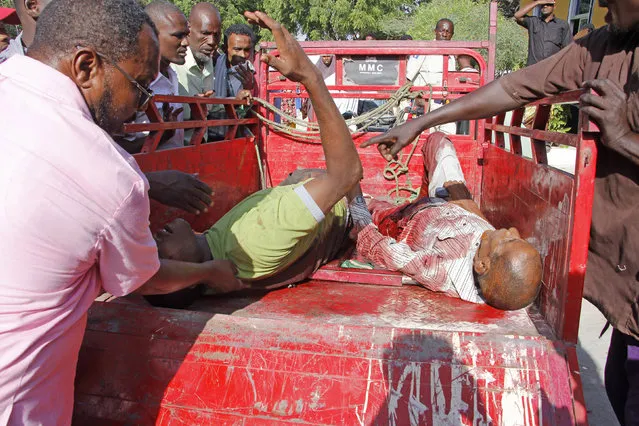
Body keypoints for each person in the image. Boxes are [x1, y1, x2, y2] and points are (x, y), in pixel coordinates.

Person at [363, 0, 639, 422]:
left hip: (416, 219)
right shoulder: (603, 45)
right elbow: (515, 87)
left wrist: (626, 138)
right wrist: (422, 123)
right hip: (626, 297)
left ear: (484, 261)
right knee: (622, 392)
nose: (599, 3)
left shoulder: (449, 267)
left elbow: (390, 251)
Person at [0, 1, 245, 424]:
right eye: (140, 84)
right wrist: (208, 272)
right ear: (86, 66)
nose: (142, 102)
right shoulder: (109, 175)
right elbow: (146, 278)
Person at [146, 11, 365, 309]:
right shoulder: (254, 239)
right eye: (158, 251)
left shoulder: (218, 244)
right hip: (348, 204)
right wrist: (311, 78)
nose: (155, 236)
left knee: (301, 175)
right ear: (186, 270)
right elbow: (347, 176)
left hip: (323, 204)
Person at [357, 132, 542, 309]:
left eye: (510, 239)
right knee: (439, 143)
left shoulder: (442, 270)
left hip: (405, 220)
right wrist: (463, 199)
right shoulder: (491, 249)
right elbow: (475, 219)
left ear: (481, 265)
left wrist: (354, 198)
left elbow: (387, 252)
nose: (512, 230)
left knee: (369, 205)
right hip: (446, 204)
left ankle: (367, 201)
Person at [117, 0, 189, 154]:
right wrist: (162, 134)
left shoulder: (171, 75)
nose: (186, 43)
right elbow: (115, 148)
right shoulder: (131, 82)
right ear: (151, 34)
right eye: (178, 36)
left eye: (187, 35)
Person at [172, 2, 221, 142]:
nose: (212, 41)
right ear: (189, 29)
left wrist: (237, 101)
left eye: (216, 35)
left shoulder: (207, 59)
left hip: (200, 147)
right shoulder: (174, 62)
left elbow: (212, 106)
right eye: (205, 33)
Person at [405, 18, 457, 134]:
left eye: (448, 32)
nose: (445, 34)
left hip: (446, 107)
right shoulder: (423, 50)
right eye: (442, 30)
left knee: (450, 136)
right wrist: (417, 97)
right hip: (426, 107)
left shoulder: (452, 55)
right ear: (435, 31)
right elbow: (408, 79)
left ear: (452, 35)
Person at [514, 0, 572, 66]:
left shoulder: (562, 24)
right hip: (533, 68)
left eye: (548, 4)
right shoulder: (533, 22)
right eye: (542, 4)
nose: (545, 6)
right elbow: (517, 15)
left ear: (554, 7)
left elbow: (567, 48)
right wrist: (537, 2)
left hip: (551, 69)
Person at [214, 23, 256, 99]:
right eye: (237, 49)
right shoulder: (213, 67)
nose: (243, 55)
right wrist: (236, 100)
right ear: (224, 49)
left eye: (246, 50)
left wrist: (249, 87)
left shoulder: (253, 72)